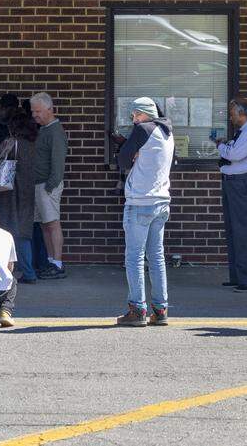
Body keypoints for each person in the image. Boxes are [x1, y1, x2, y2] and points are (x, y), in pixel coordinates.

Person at [113, 97, 174, 327]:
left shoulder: (142, 130)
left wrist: (132, 153)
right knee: (156, 257)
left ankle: (137, 309)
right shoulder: (167, 132)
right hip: (161, 200)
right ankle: (160, 309)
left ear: (145, 114)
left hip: (140, 201)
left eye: (135, 115)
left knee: (134, 258)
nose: (133, 120)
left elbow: (122, 159)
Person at [212, 97, 247, 293]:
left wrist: (220, 146)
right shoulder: (243, 132)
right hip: (235, 183)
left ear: (242, 114)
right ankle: (237, 276)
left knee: (243, 231)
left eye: (233, 113)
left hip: (243, 184)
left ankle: (246, 280)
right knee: (233, 231)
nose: (231, 117)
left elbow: (234, 155)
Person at [0, 108, 37, 283]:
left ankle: (10, 271)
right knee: (23, 233)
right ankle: (29, 272)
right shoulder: (33, 144)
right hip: (28, 192)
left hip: (10, 193)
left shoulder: (11, 143)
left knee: (6, 232)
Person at [30, 92, 68, 279]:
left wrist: (50, 186)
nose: (35, 115)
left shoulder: (55, 131)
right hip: (39, 184)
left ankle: (57, 263)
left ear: (49, 109)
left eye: (38, 111)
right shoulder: (44, 129)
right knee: (45, 225)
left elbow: (58, 162)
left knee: (52, 224)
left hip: (47, 185)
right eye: (33, 111)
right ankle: (50, 261)